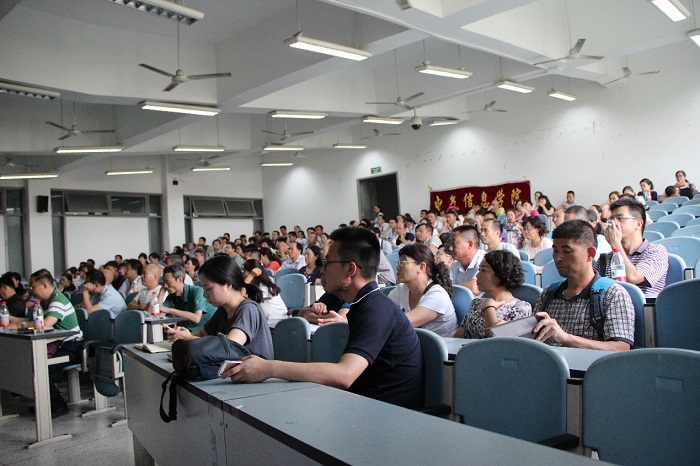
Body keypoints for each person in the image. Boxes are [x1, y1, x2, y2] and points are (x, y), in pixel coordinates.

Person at [224, 227, 423, 409]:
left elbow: (345, 374)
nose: (322, 269)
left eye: (327, 262)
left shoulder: (377, 309)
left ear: (350, 270)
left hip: (389, 415)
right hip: (364, 406)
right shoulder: (361, 303)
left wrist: (269, 368)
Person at [532, 220, 634, 351]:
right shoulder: (548, 294)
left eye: (567, 251)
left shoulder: (612, 294)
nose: (558, 258)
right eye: (555, 251)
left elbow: (621, 348)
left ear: (590, 254)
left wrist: (566, 339)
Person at [166, 255, 273, 361]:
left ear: (228, 285)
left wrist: (189, 338)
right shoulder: (223, 310)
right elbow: (203, 334)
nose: (204, 295)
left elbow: (229, 346)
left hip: (254, 370)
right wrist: (182, 334)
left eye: (208, 289)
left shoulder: (248, 309)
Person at [28, 269, 83, 418]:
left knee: (40, 368)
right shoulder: (48, 301)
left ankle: (59, 406)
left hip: (72, 347)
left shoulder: (58, 300)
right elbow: (36, 322)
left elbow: (45, 324)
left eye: (33, 287)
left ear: (44, 285)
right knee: (32, 364)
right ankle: (45, 404)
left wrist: (22, 325)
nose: (31, 290)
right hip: (59, 345)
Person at [598, 198, 668, 298]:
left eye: (620, 218)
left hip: (641, 307)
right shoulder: (605, 258)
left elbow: (633, 277)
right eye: (612, 219)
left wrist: (616, 245)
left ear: (638, 224)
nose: (614, 223)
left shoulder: (656, 251)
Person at [454, 250, 532, 339]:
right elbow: (457, 338)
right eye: (479, 270)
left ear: (500, 275)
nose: (477, 276)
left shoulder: (521, 308)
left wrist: (489, 308)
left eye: (483, 270)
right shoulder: (476, 303)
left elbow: (497, 342)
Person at [387, 244, 457, 337]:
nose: (397, 266)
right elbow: (382, 313)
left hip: (443, 346)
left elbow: (399, 324)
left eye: (403, 261)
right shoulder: (401, 289)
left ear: (421, 267)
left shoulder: (438, 295)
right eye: (399, 262)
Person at [159, 264, 217, 332]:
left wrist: (169, 310)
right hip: (189, 330)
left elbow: (196, 318)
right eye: (164, 282)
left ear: (180, 280)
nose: (165, 285)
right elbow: (158, 310)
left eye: (168, 282)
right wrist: (162, 291)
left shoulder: (196, 291)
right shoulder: (172, 296)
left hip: (207, 330)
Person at [448, 225, 485, 295]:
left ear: (470, 244)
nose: (450, 248)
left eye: (454, 243)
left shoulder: (485, 260)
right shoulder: (455, 265)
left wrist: (451, 288)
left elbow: (475, 287)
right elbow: (445, 287)